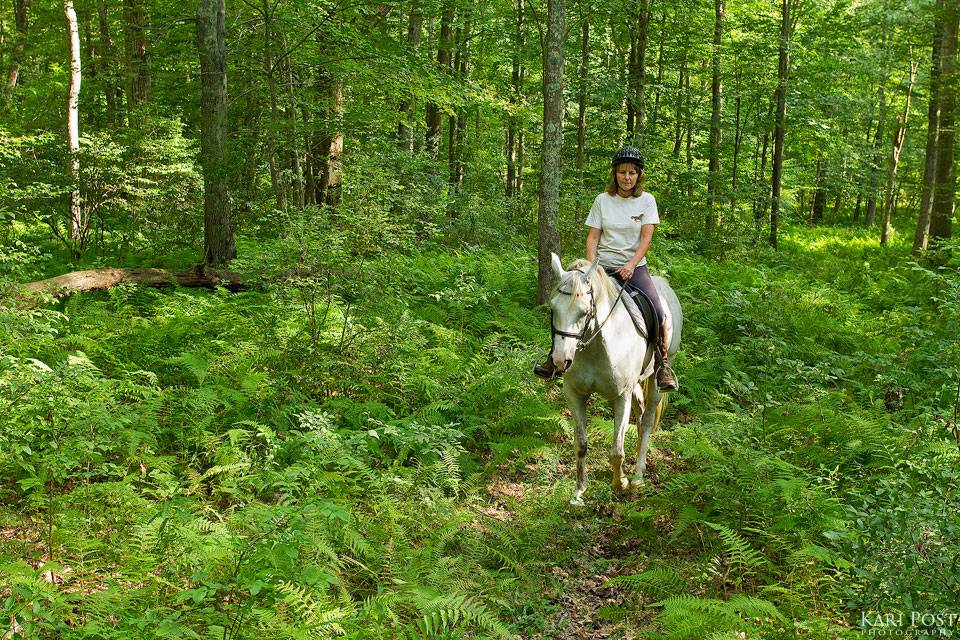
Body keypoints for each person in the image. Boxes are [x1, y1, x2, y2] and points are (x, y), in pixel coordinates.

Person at [534, 147, 678, 390]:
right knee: (567, 304)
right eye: (622, 172)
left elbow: (646, 239)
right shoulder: (602, 200)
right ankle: (554, 358)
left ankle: (662, 365)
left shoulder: (647, 201)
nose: (627, 177)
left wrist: (632, 265)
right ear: (615, 174)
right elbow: (593, 238)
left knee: (658, 310)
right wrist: (592, 268)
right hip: (602, 268)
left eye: (632, 172)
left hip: (635, 269)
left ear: (639, 175)